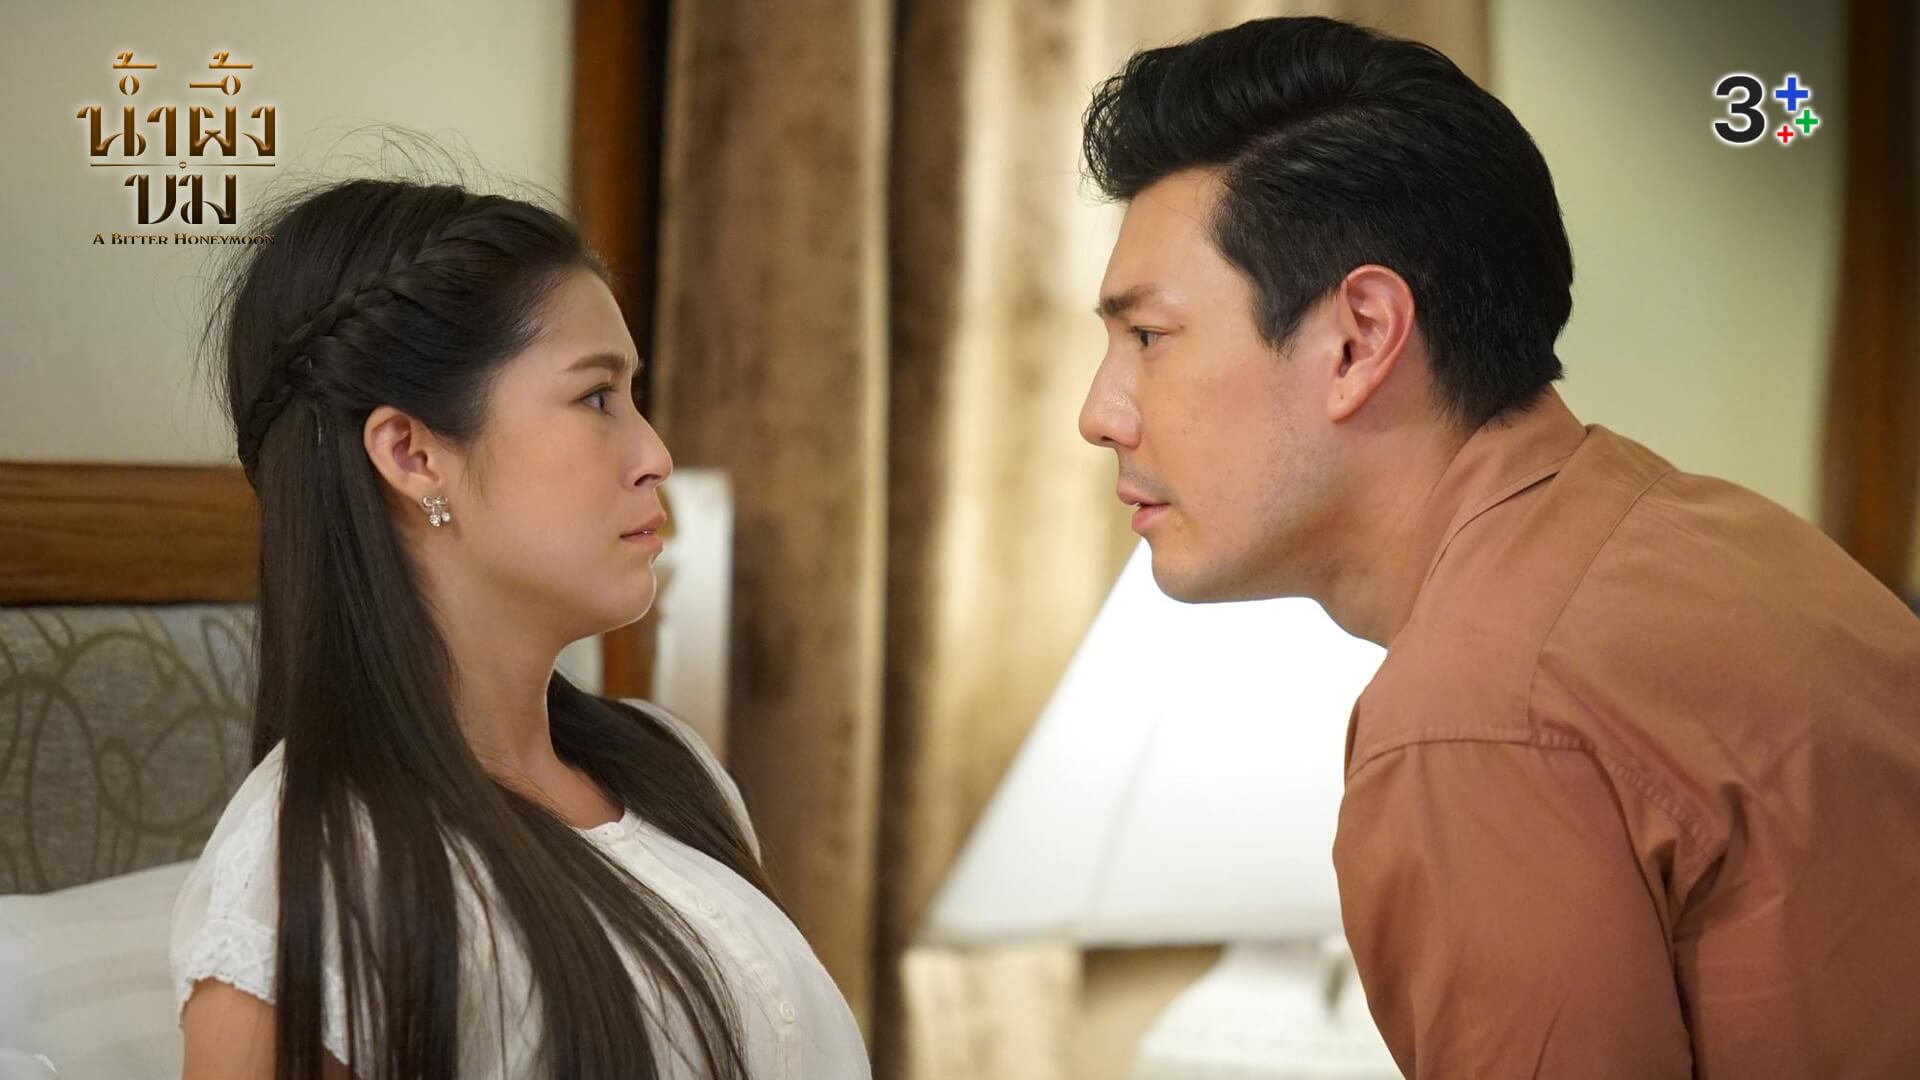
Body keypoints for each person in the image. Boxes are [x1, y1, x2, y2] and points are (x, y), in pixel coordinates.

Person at [1077, 16, 1920, 1078]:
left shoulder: (1478, 719)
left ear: (1360, 338)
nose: (1101, 414)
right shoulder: (1738, 539)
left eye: (1148, 337)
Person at [170, 178, 871, 1079]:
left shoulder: (668, 768)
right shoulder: (317, 872)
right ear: (413, 453)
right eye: (597, 398)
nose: (655, 455)